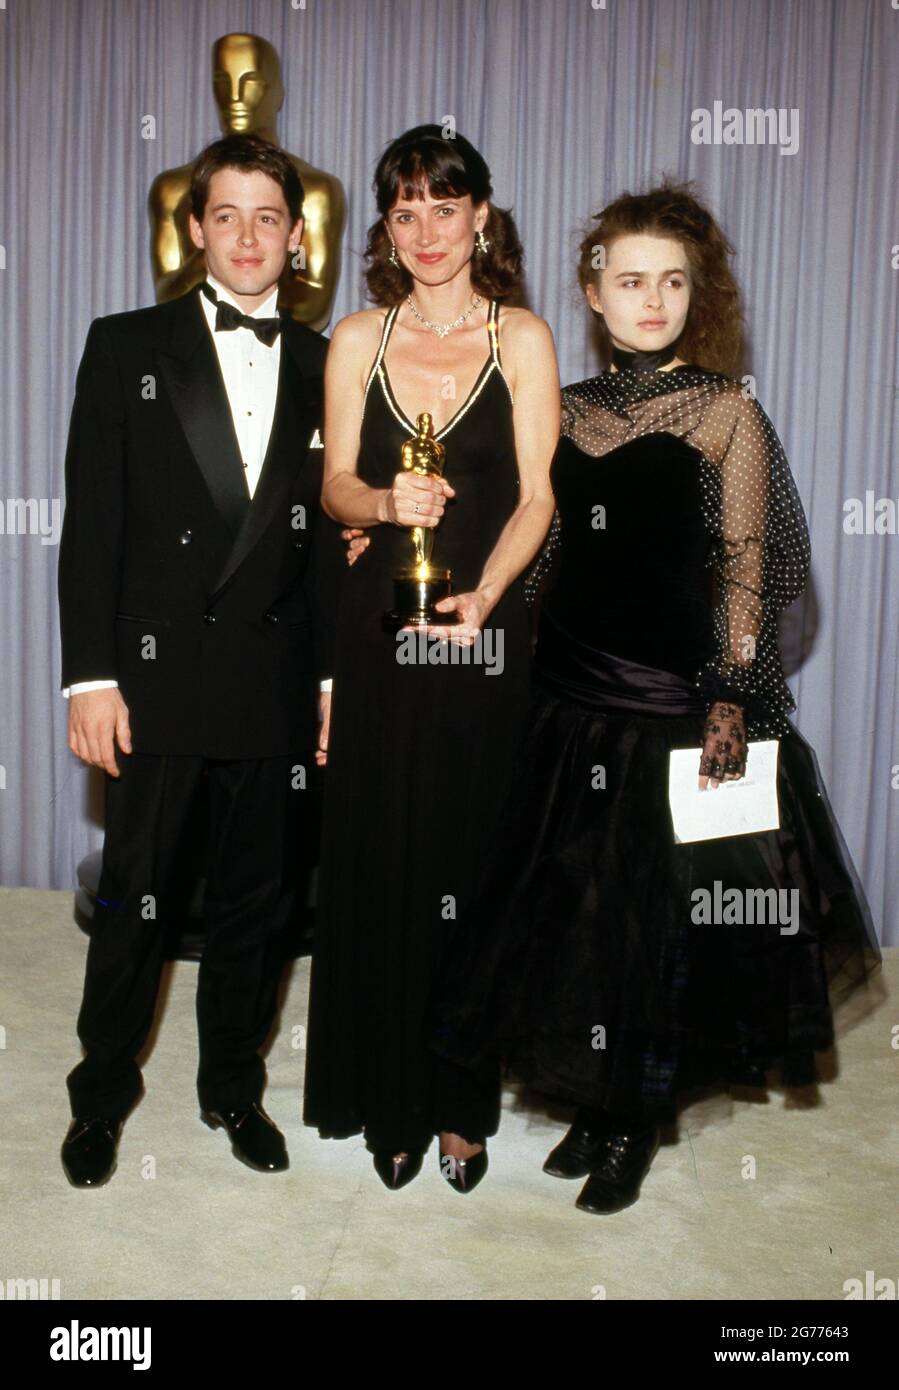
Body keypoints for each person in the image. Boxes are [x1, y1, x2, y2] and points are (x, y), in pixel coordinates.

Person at [428, 181, 882, 1214]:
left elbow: (745, 564)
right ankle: (590, 1101)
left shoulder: (726, 411)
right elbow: (539, 555)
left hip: (671, 704)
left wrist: (729, 694)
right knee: (572, 916)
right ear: (593, 291)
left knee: (654, 927)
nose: (650, 299)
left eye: (671, 282)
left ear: (693, 294)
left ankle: (632, 1116)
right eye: (629, 280)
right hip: (564, 697)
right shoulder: (570, 409)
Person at [58, 134, 332, 1186]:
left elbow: (318, 549)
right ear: (193, 229)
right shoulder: (124, 345)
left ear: (295, 236)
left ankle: (232, 1088)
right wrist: (90, 676)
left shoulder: (326, 361)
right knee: (136, 898)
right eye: (228, 214)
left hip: (271, 681)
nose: (249, 235)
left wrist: (326, 685)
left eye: (269, 216)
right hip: (156, 678)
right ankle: (100, 1095)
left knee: (257, 909)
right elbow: (96, 527)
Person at [302, 125, 559, 1191]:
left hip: (485, 636)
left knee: (469, 864)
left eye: (442, 208)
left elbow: (540, 496)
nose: (425, 231)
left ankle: (460, 1105)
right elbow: (334, 492)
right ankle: (390, 1100)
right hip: (380, 639)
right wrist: (380, 500)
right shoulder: (356, 336)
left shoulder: (524, 339)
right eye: (404, 211)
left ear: (480, 217)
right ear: (386, 227)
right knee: (383, 860)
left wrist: (486, 601)